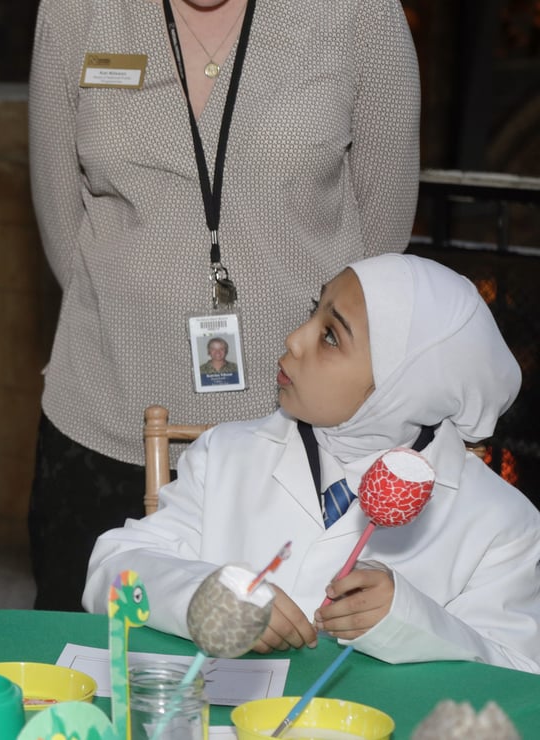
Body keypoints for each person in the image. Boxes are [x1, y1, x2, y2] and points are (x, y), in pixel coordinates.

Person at [28, 0, 421, 610]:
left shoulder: (359, 14)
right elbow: (60, 222)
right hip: (105, 418)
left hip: (295, 437)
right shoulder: (77, 12)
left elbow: (381, 241)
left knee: (286, 672)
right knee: (95, 673)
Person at [83, 254, 540, 673]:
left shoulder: (501, 524)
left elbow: (518, 678)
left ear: (404, 388)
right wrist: (198, 595)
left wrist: (412, 623)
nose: (295, 339)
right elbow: (111, 573)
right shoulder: (227, 454)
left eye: (330, 336)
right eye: (313, 311)